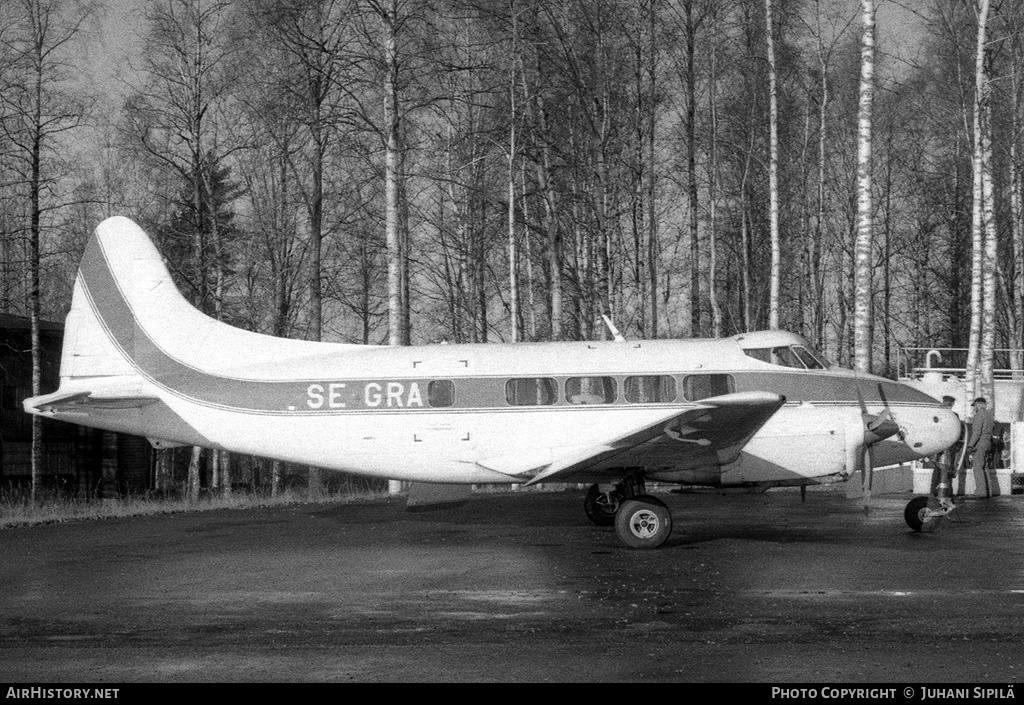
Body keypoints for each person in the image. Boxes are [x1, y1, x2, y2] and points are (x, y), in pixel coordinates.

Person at [967, 397, 994, 498]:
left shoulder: (978, 415)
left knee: (977, 467)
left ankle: (981, 492)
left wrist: (970, 445)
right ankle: (989, 492)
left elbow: (977, 432)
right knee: (985, 467)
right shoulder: (989, 415)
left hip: (980, 443)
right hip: (988, 443)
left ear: (978, 405)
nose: (974, 408)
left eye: (974, 406)